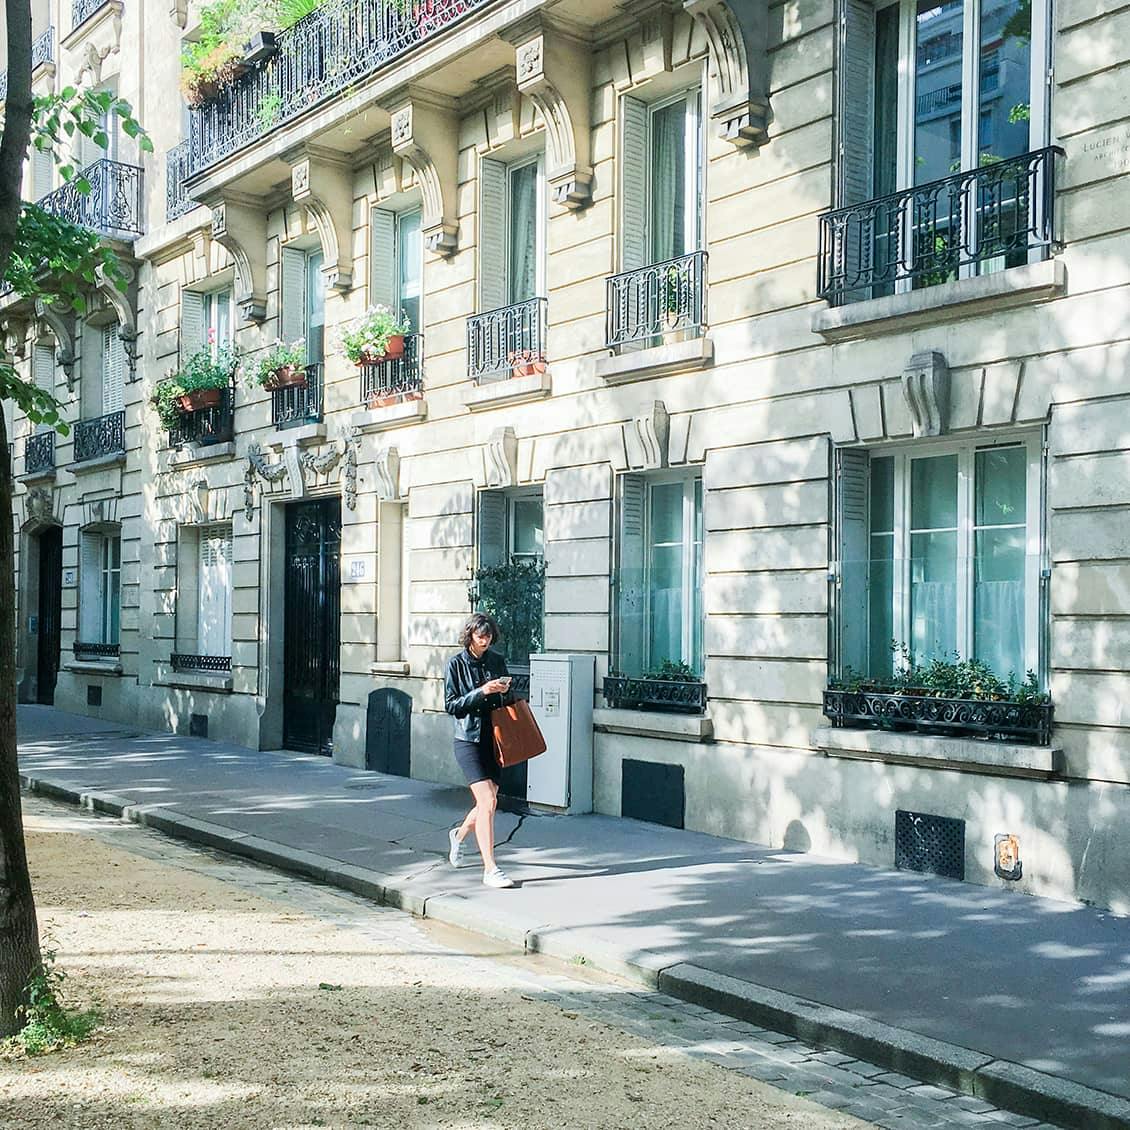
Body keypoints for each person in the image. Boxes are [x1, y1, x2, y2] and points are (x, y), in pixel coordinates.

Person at [443, 612, 516, 888]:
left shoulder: (496, 660)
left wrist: (504, 690)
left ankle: (459, 836)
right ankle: (490, 869)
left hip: (493, 739)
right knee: (487, 803)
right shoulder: (455, 664)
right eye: (480, 636)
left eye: (488, 637)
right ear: (470, 636)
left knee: (490, 800)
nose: (485, 641)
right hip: (467, 740)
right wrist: (482, 691)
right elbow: (451, 704)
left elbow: (506, 700)